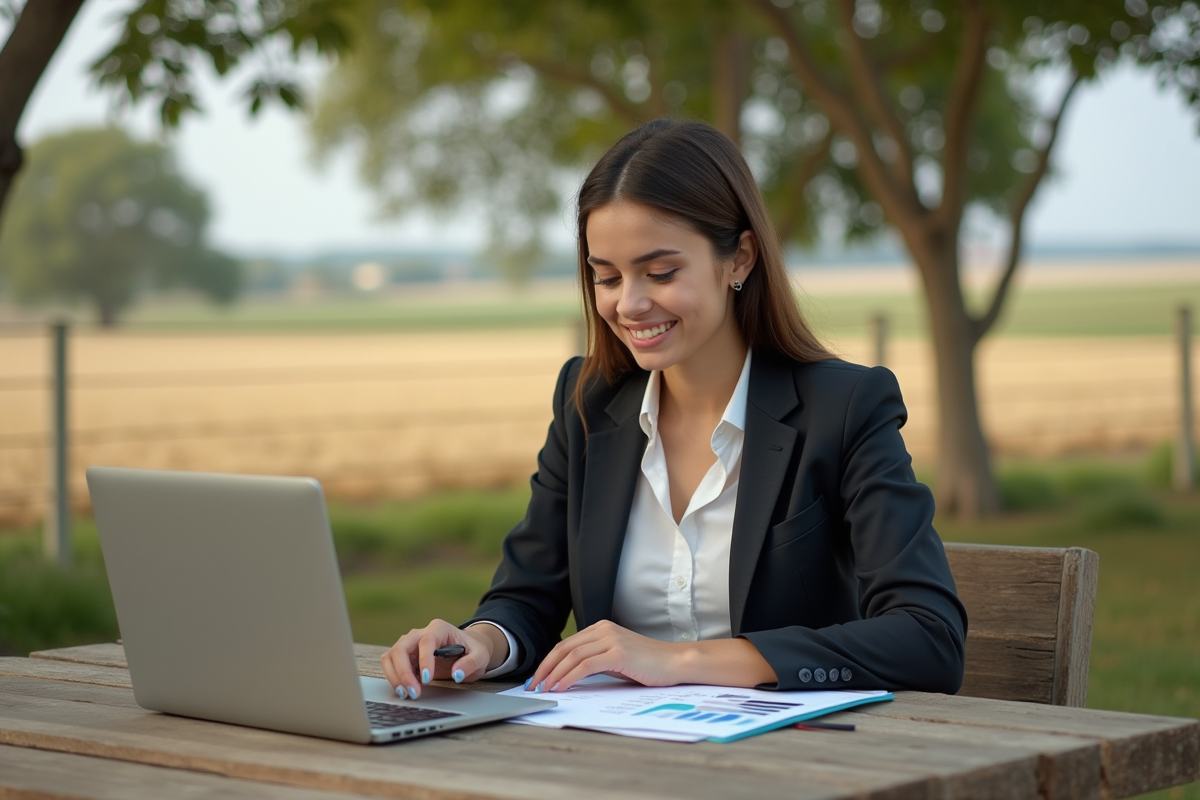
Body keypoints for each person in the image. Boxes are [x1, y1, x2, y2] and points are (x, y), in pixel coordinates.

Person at [380, 119, 967, 700]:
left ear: (739, 258)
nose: (629, 304)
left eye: (660, 272)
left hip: (794, 759)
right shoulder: (587, 402)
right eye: (606, 277)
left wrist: (680, 660)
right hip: (616, 758)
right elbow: (527, 597)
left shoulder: (843, 409)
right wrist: (480, 643)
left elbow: (929, 638)